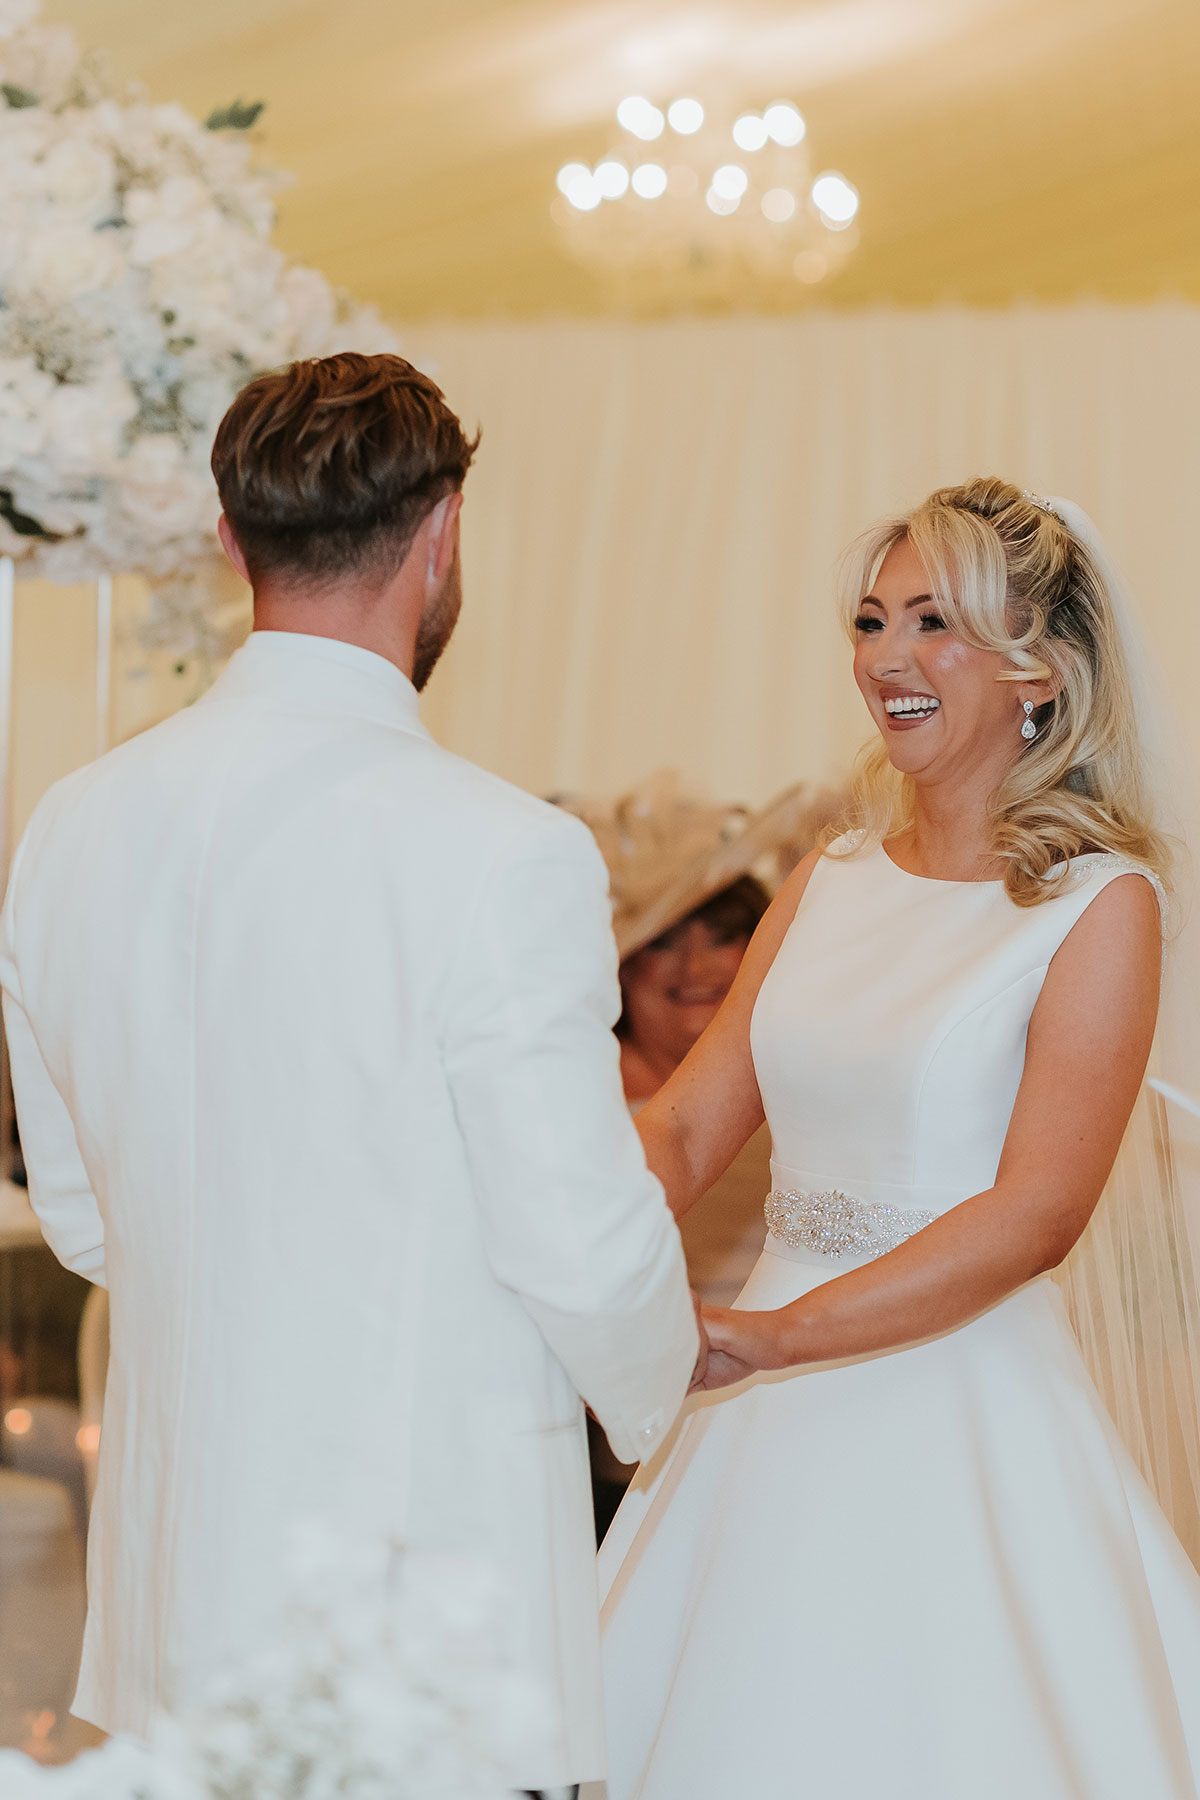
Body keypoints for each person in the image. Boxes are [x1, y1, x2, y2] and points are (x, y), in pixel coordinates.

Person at [0, 352, 702, 1800]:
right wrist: (669, 1395)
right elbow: (579, 1242)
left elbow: (82, 1215)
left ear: (228, 539)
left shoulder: (68, 825)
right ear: (443, 533)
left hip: (170, 1610)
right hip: (421, 1617)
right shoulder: (506, 853)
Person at [588, 478, 1200, 1800]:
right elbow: (685, 1127)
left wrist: (778, 1339)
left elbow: (1036, 1212)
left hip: (952, 1393)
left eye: (936, 624)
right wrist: (552, 1224)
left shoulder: (1100, 906)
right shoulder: (831, 877)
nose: (886, 659)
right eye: (873, 622)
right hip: (753, 1403)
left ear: (1040, 669)